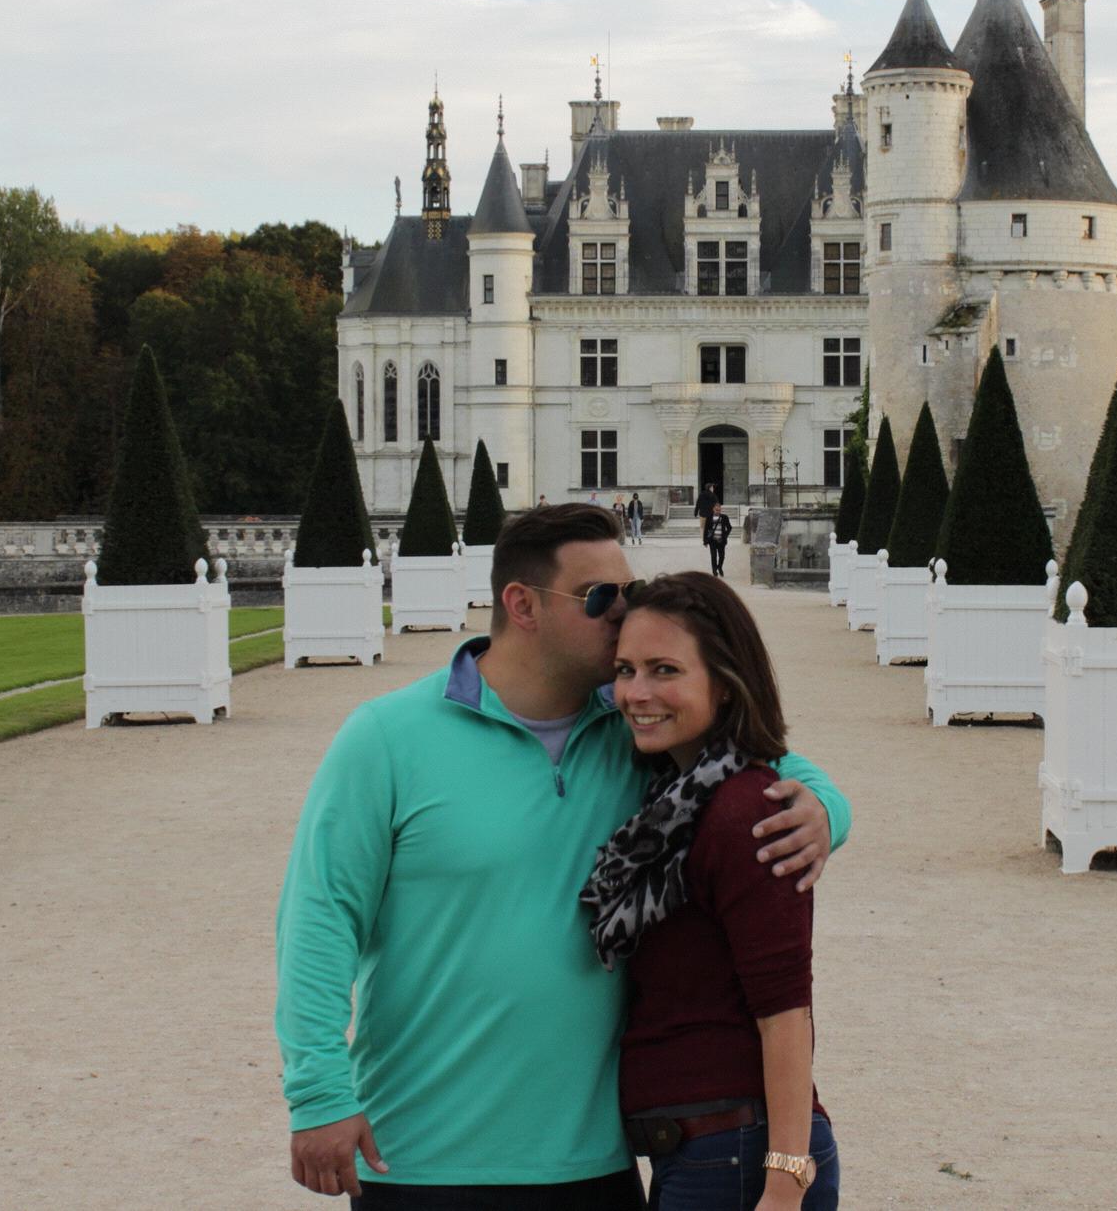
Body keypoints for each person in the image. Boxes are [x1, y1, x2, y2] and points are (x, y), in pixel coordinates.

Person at [276, 505, 852, 1208]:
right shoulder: (387, 738)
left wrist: (826, 807)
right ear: (521, 605)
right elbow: (318, 921)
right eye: (601, 599)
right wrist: (318, 1094)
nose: (624, 617)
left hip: (592, 1162)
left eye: (628, 594)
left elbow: (763, 760)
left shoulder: (634, 728)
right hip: (421, 1156)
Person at [583, 573, 841, 1210]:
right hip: (705, 1151)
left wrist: (784, 1183)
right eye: (625, 669)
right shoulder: (672, 804)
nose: (636, 693)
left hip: (741, 1159)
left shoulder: (745, 811)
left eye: (665, 669)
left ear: (725, 684)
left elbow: (785, 1013)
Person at [705, 503, 732, 579]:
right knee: (713, 556)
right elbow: (706, 530)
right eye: (716, 510)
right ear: (713, 509)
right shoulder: (709, 517)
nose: (718, 511)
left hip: (721, 541)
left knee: (722, 556)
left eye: (719, 510)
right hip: (712, 541)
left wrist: (725, 535)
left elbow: (729, 527)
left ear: (721, 510)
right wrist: (705, 541)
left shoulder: (724, 517)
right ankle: (714, 570)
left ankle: (719, 567)